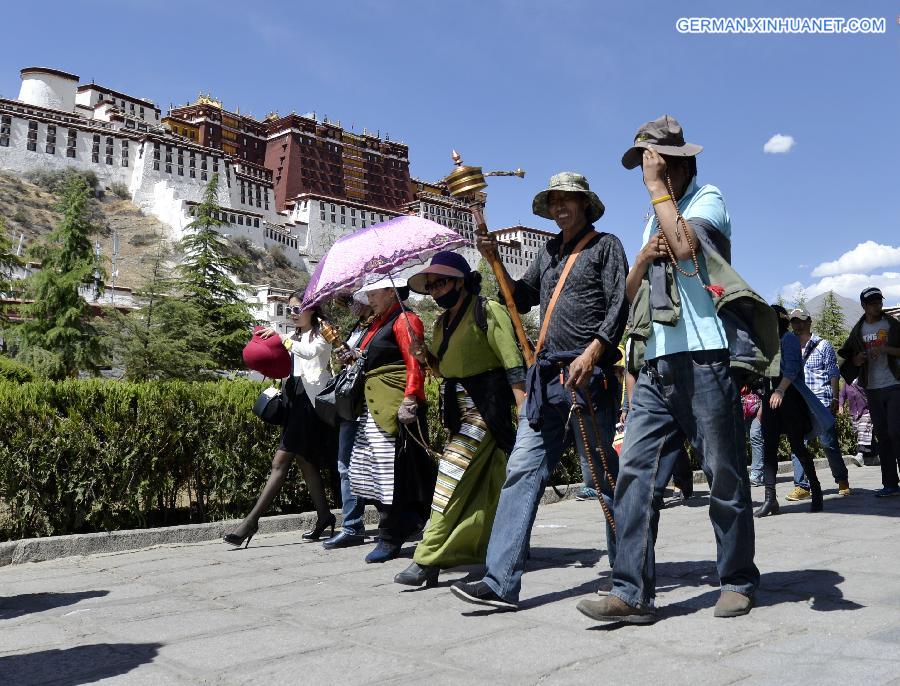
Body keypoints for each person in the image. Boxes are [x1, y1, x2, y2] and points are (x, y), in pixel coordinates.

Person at [578, 115, 777, 625]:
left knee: (724, 474)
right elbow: (629, 296)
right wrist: (642, 257)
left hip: (708, 357)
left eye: (652, 161)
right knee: (636, 477)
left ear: (676, 161)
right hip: (656, 364)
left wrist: (655, 189)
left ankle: (736, 580)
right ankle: (631, 592)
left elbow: (688, 251)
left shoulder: (708, 198)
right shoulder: (652, 218)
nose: (646, 171)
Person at [450, 172, 628, 610]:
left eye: (568, 200)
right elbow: (521, 297)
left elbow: (619, 305)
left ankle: (628, 575)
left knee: (603, 480)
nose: (560, 208)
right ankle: (500, 581)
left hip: (589, 379)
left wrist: (593, 353)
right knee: (521, 472)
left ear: (586, 204)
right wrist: (493, 261)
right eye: (554, 202)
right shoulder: (548, 252)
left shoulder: (607, 247)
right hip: (546, 380)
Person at [393, 251, 525, 587]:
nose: (436, 289)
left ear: (462, 281)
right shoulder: (439, 324)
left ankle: (427, 558)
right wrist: (425, 357)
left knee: (450, 474)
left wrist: (524, 411)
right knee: (489, 483)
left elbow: (513, 363)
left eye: (442, 282)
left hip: (487, 408)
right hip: (457, 409)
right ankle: (506, 546)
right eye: (432, 285)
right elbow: (444, 370)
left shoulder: (487, 310)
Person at [224, 297, 336, 548]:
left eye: (297, 309)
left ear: (311, 308)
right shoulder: (294, 335)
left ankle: (251, 522)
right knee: (304, 461)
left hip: (310, 403)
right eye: (290, 309)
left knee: (280, 461)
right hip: (294, 399)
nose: (293, 313)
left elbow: (310, 353)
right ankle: (324, 516)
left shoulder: (323, 332)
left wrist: (281, 338)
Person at [349, 277, 437, 562]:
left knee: (391, 474)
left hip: (394, 407)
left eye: (374, 292)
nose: (369, 298)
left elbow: (415, 363)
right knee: (369, 472)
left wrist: (411, 398)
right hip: (373, 407)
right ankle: (408, 521)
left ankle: (391, 535)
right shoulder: (377, 322)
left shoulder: (405, 320)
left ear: (391, 291)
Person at [754, 306, 834, 517]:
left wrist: (780, 389)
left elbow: (792, 368)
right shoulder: (765, 340)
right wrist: (764, 403)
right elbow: (764, 373)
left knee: (798, 445)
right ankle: (770, 499)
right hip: (770, 397)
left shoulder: (788, 338)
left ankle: (815, 490)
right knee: (768, 447)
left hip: (789, 397)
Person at [322, 295, 375, 550]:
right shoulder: (358, 327)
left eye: (355, 300)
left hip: (371, 403)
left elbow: (375, 361)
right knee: (345, 465)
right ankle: (352, 525)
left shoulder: (378, 326)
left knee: (377, 467)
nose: (351, 306)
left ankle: (396, 518)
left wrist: (357, 356)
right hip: (351, 403)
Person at [838, 287, 900, 497]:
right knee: (883, 436)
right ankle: (891, 484)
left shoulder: (891, 325)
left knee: (896, 432)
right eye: (872, 302)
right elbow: (849, 357)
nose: (877, 305)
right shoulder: (858, 330)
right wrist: (857, 360)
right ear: (864, 306)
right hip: (871, 388)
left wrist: (885, 349)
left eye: (879, 301)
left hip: (894, 384)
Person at [785, 308, 851, 498]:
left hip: (821, 400)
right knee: (798, 443)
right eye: (795, 321)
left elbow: (833, 373)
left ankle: (841, 479)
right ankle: (802, 487)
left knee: (828, 443)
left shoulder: (823, 345)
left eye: (802, 321)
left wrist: (835, 398)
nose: (798, 324)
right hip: (798, 402)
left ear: (810, 321)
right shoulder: (789, 347)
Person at [838, 380, 875, 466]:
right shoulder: (847, 383)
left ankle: (860, 455)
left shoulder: (864, 380)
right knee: (863, 433)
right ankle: (875, 454)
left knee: (863, 431)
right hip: (854, 414)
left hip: (867, 411)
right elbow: (842, 395)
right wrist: (841, 405)